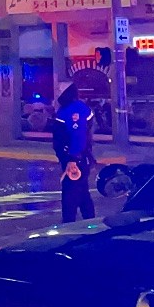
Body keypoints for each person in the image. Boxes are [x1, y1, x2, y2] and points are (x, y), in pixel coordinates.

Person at [52, 83, 96, 222]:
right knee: (82, 192)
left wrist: (71, 158)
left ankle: (68, 226)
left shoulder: (69, 112)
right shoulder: (82, 107)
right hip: (81, 157)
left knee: (70, 195)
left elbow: (77, 136)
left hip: (74, 159)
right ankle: (91, 223)